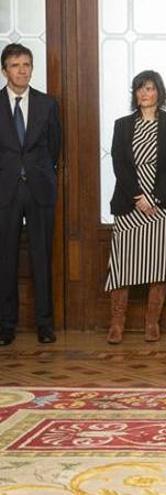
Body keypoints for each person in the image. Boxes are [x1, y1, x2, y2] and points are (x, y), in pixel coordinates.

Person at [104, 70, 166, 344]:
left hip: (162, 205)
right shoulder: (122, 125)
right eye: (140, 89)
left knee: (160, 263)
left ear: (159, 93)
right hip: (129, 204)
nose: (144, 93)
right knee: (123, 266)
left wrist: (153, 198)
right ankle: (117, 324)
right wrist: (138, 196)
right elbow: (119, 164)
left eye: (150, 88)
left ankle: (152, 323)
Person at [0, 43, 61, 345]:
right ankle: (5, 326)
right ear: (4, 70)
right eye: (15, 65)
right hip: (5, 193)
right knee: (5, 260)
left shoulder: (47, 104)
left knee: (41, 257)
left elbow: (54, 148)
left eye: (26, 64)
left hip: (39, 191)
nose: (22, 70)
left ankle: (45, 325)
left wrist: (40, 173)